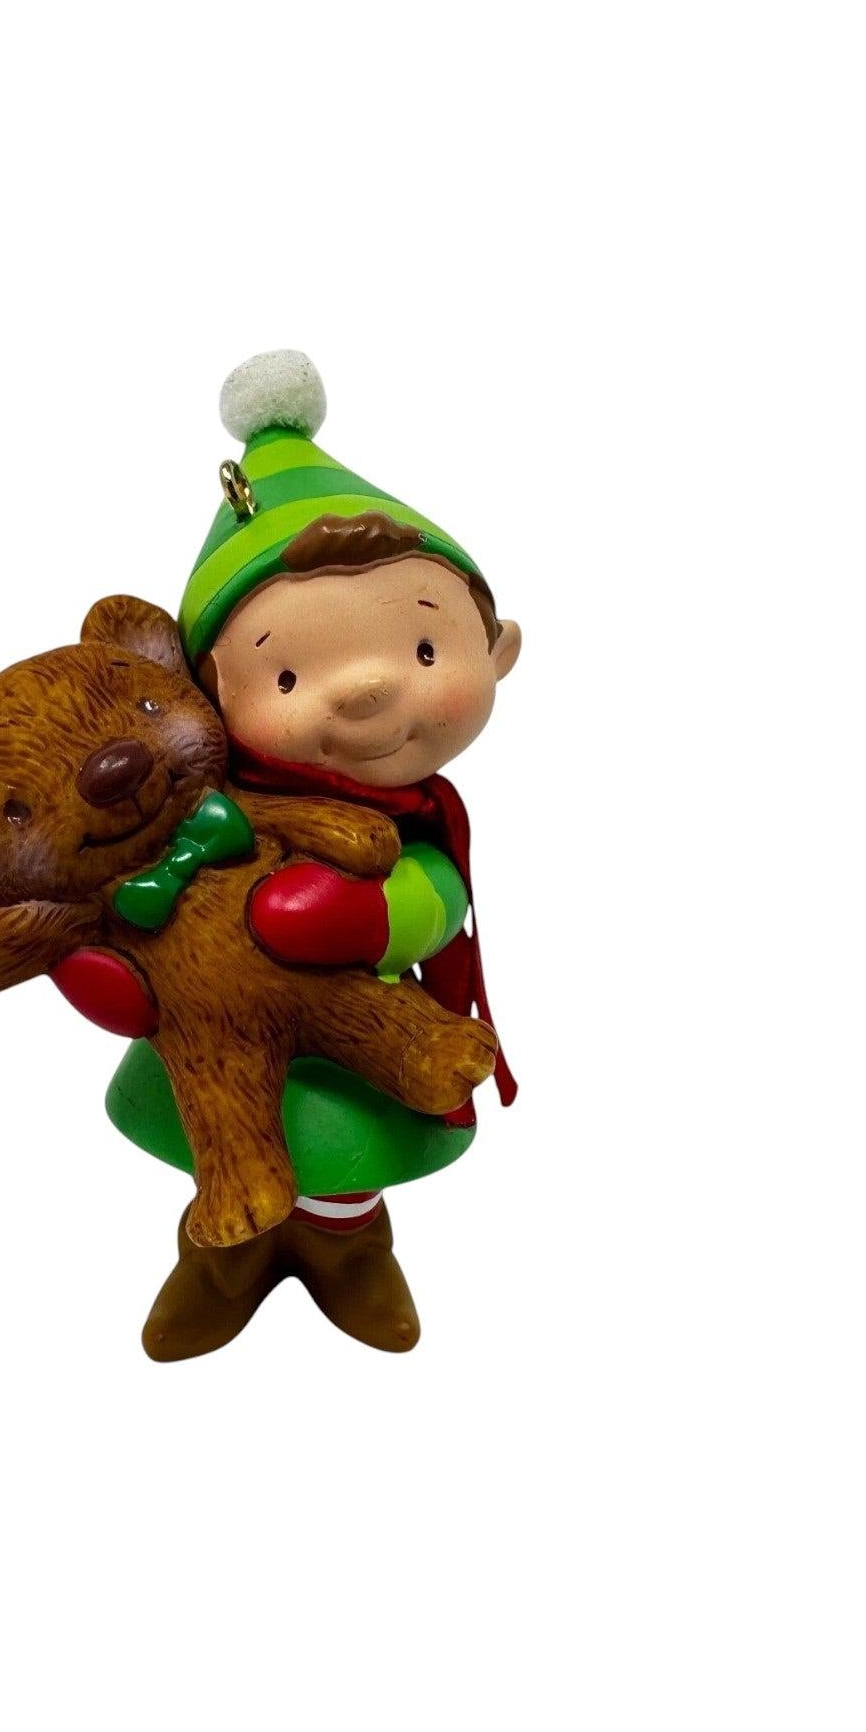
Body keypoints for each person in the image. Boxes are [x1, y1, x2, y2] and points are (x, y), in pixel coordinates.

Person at [107, 351, 521, 1357]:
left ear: (499, 650)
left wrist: (373, 916)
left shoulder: (420, 818)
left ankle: (348, 1246)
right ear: (210, 694)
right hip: (219, 1034)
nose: (369, 690)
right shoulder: (200, 811)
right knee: (223, 1143)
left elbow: (439, 895)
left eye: (426, 651)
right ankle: (226, 1255)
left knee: (342, 1150)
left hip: (357, 1032)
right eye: (286, 676)